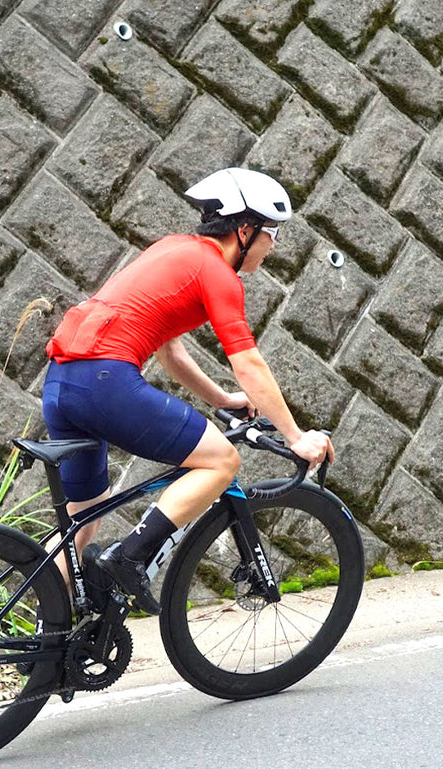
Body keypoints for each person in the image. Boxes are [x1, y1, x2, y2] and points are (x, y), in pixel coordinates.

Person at [41, 167, 335, 615]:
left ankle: (44, 636)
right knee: (221, 460)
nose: (274, 245)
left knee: (81, 522)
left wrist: (223, 400)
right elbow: (248, 361)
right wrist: (296, 436)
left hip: (63, 384)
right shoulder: (217, 272)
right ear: (244, 229)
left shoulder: (174, 250)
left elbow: (169, 354)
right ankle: (128, 558)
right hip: (105, 382)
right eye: (272, 233)